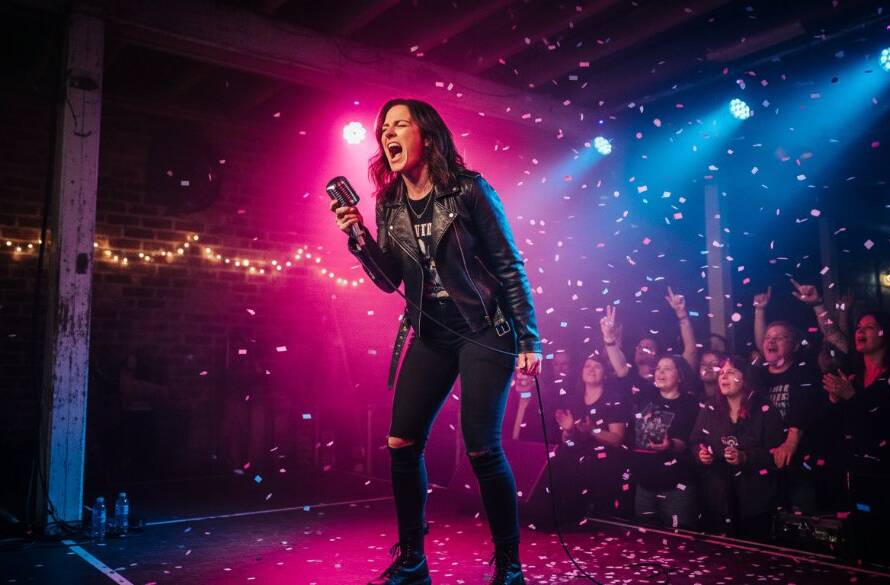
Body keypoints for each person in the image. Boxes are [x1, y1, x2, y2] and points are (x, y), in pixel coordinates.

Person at [332, 98, 542, 585]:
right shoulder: (389, 203)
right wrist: (359, 237)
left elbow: (509, 264)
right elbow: (389, 280)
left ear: (426, 136)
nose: (388, 134)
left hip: (483, 328)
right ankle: (413, 561)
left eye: (399, 125)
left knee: (482, 449)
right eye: (384, 129)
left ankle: (509, 567)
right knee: (401, 442)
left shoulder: (469, 190)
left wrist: (529, 338)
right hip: (431, 331)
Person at [690, 356, 785, 539]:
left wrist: (745, 457)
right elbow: (696, 440)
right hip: (719, 497)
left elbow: (776, 453)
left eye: (731, 372)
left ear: (745, 378)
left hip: (755, 498)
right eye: (721, 373)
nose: (724, 376)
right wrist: (701, 453)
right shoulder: (710, 408)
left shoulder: (765, 409)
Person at [547, 356, 629, 524]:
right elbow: (568, 443)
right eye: (587, 366)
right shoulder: (572, 400)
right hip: (575, 469)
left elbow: (617, 440)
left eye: (596, 366)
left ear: (605, 374)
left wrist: (593, 430)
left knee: (599, 524)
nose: (591, 369)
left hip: (605, 471)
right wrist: (568, 431)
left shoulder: (614, 399)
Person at [629, 355, 701, 529]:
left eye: (667, 368)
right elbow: (624, 372)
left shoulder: (690, 404)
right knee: (645, 535)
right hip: (644, 482)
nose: (660, 372)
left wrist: (670, 445)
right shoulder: (645, 396)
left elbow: (689, 440)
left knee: (677, 535)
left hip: (676, 484)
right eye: (659, 368)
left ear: (680, 376)